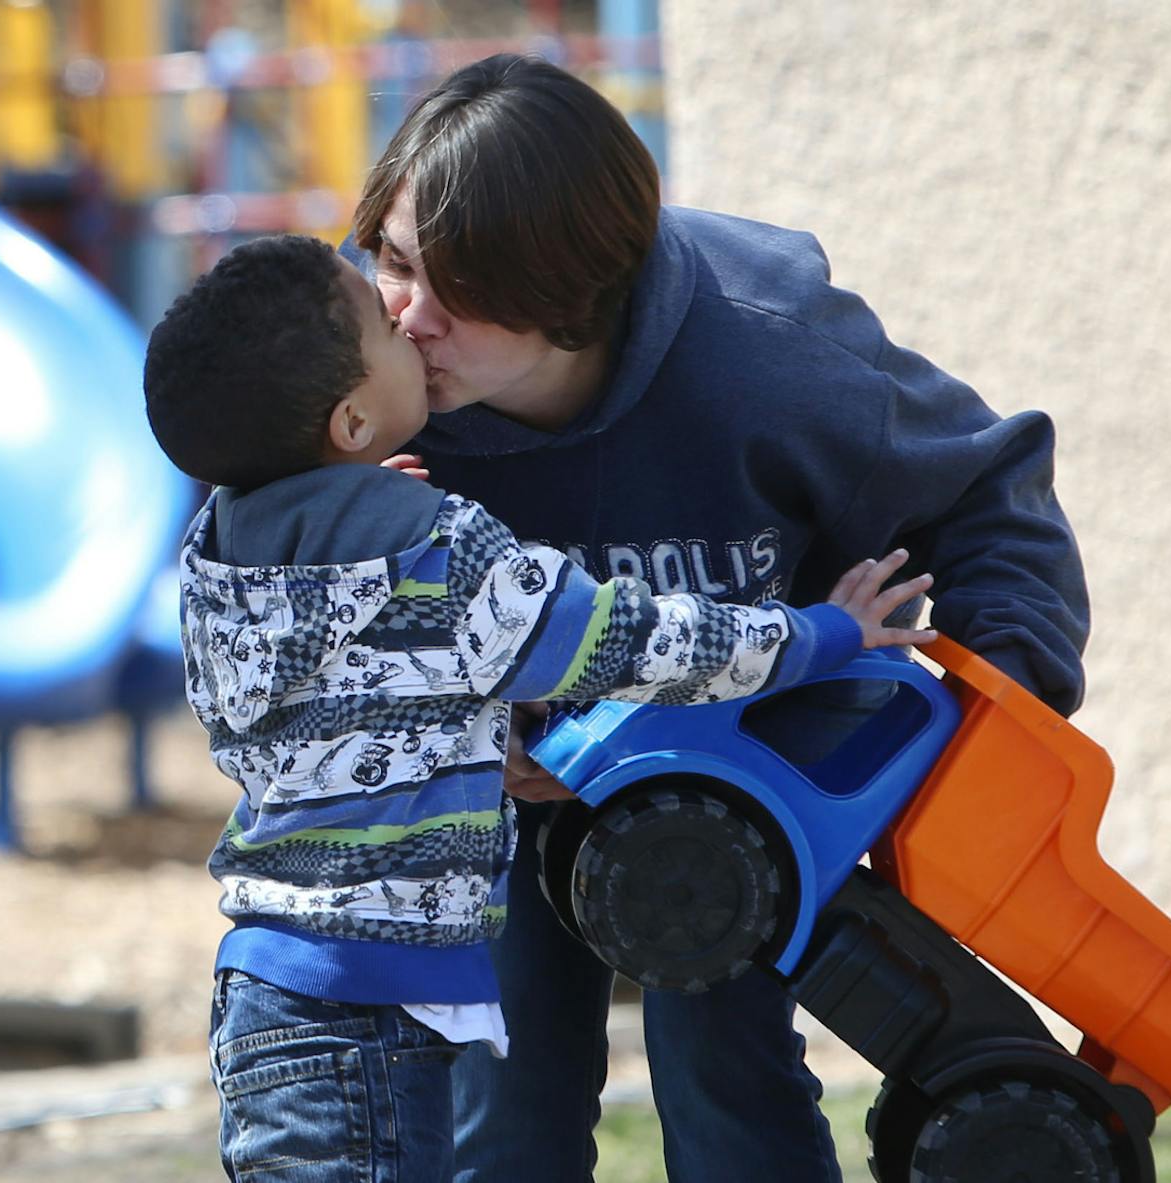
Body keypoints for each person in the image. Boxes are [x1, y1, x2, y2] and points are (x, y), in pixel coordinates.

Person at [340, 54, 1091, 1182]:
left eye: (466, 289)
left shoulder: (768, 357)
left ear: (574, 294)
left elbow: (989, 490)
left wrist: (984, 739)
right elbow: (260, 622)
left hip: (735, 780)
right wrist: (453, 728)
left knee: (722, 1076)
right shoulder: (355, 381)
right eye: (394, 261)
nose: (413, 318)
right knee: (498, 1104)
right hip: (481, 802)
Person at [143, 232, 938, 1182]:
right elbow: (631, 640)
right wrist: (821, 634)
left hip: (263, 1000)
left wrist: (353, 503)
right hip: (371, 1015)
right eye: (383, 324)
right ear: (353, 424)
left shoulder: (218, 561)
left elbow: (319, 705)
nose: (406, 317)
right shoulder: (437, 552)